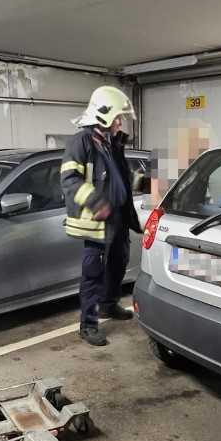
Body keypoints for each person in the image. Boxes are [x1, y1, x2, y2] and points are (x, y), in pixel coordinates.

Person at [61, 86, 144, 346]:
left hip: (118, 217)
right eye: (118, 117)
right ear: (104, 115)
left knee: (119, 262)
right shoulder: (81, 142)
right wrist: (97, 202)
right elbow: (69, 179)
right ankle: (88, 324)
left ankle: (109, 304)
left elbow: (123, 178)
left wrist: (151, 184)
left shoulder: (111, 144)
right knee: (93, 273)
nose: (121, 122)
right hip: (98, 220)